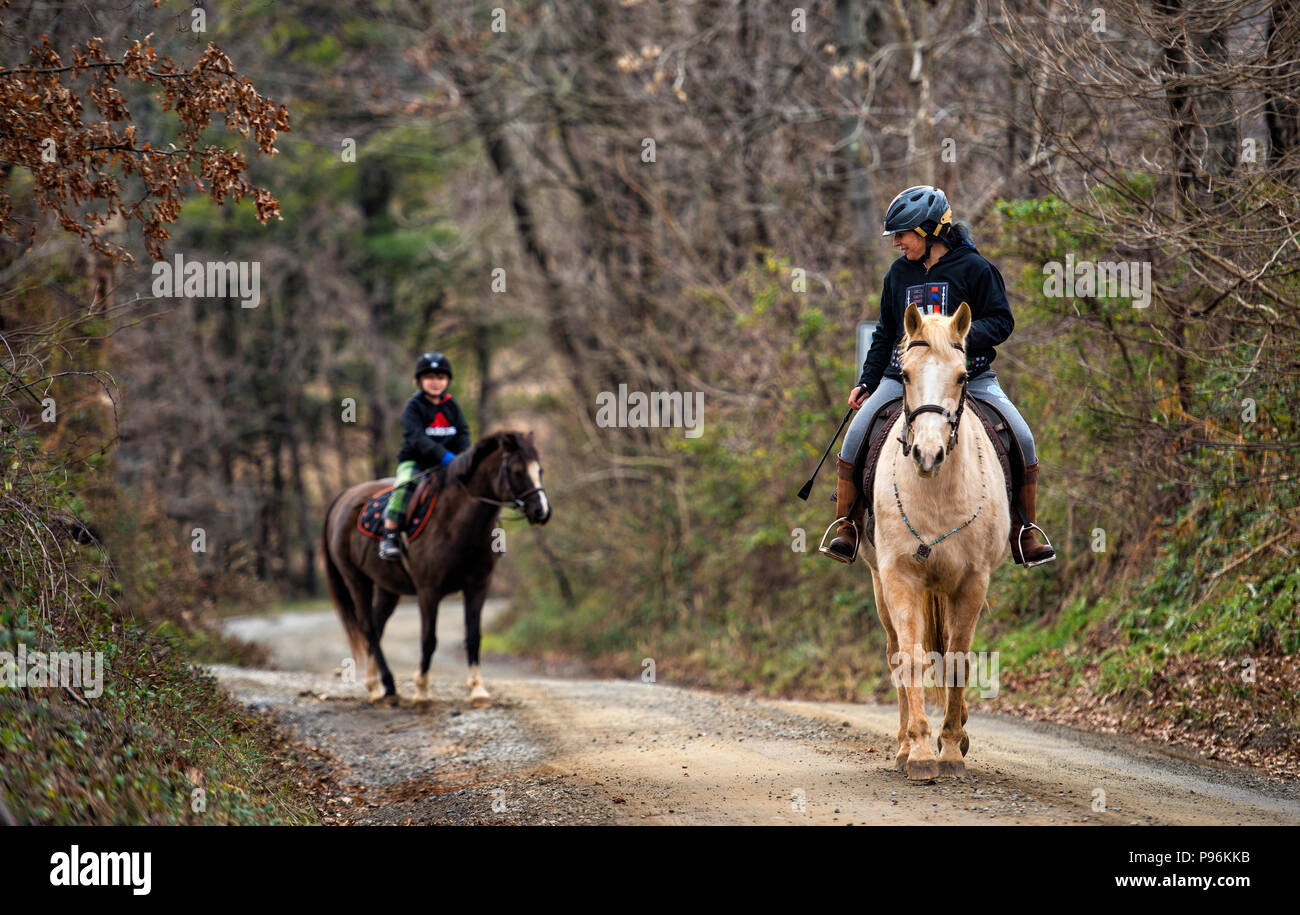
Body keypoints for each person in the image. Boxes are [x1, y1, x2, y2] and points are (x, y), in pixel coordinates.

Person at [824, 185, 1055, 567]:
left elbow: (1002, 321)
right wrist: (867, 380)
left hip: (970, 379)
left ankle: (1023, 530)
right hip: (903, 381)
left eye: (903, 234)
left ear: (930, 230)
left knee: (1024, 438)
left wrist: (956, 339)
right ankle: (847, 524)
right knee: (854, 438)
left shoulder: (976, 269)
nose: (897, 243)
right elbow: (884, 332)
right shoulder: (898, 275)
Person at [379, 352, 470, 561]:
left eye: (440, 377)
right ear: (419, 381)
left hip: (450, 464)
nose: (435, 382)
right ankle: (389, 535)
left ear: (447, 381)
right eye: (429, 377)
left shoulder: (452, 406)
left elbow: (463, 433)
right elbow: (416, 438)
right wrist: (443, 455)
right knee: (404, 486)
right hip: (416, 462)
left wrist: (464, 456)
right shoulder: (414, 407)